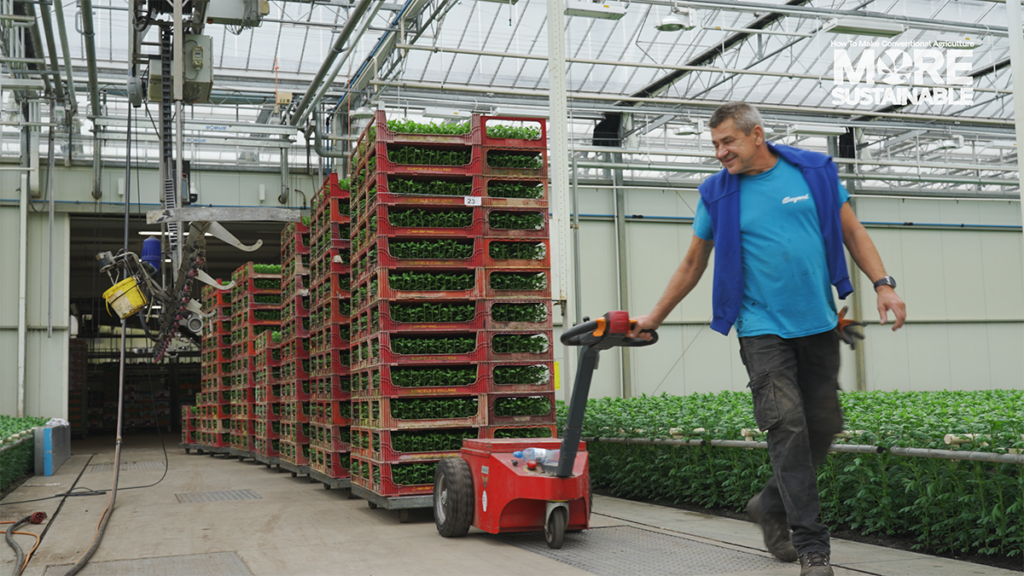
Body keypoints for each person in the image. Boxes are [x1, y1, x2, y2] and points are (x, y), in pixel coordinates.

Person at [628, 102, 906, 576]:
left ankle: (770, 503)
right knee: (788, 426)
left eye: (727, 142)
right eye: (714, 144)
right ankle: (813, 548)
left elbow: (852, 232)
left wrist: (883, 284)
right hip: (761, 331)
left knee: (823, 425)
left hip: (819, 325)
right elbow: (693, 263)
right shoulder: (717, 194)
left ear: (757, 134)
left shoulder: (813, 172)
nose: (719, 153)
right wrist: (653, 317)